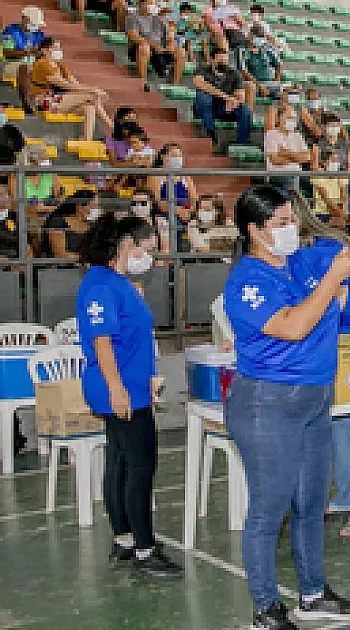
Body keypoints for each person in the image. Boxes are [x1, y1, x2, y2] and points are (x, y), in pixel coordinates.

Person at [223, 185, 350, 629]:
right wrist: (332, 282)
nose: (291, 229)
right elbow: (293, 326)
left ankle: (313, 593)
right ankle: (266, 608)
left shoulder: (299, 264)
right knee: (269, 509)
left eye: (293, 220)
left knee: (310, 502)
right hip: (267, 402)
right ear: (255, 231)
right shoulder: (246, 281)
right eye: (281, 223)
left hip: (314, 400)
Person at [75, 213, 182, 577]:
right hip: (118, 387)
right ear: (125, 244)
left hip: (129, 384)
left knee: (120, 461)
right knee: (139, 466)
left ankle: (125, 538)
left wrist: (147, 377)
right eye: (145, 249)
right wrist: (117, 389)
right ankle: (144, 549)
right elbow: (102, 343)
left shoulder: (117, 282)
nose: (148, 257)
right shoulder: (102, 286)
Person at [290, 197, 350, 538]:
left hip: (349, 346)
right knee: (336, 430)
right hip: (314, 350)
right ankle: (347, 495)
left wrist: (335, 303)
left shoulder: (331, 250)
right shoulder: (279, 258)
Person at [29, 38, 113, 142]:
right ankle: (111, 126)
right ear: (44, 50)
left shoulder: (60, 65)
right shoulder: (42, 64)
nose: (59, 51)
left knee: (89, 108)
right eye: (55, 48)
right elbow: (66, 85)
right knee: (92, 95)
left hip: (59, 100)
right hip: (44, 101)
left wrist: (94, 91)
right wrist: (95, 91)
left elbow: (75, 84)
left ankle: (87, 141)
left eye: (59, 48)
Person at [192, 48, 253, 145]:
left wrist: (234, 102)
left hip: (224, 107)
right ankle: (211, 133)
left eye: (225, 61)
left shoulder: (234, 73)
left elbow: (241, 95)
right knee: (203, 96)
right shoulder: (203, 69)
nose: (223, 64)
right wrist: (226, 97)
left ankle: (242, 144)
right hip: (204, 108)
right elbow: (199, 83)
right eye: (220, 61)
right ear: (212, 60)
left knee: (245, 110)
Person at [126, 0, 186, 89]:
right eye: (150, 3)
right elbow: (133, 36)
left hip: (159, 49)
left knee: (181, 51)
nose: (153, 5)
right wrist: (153, 46)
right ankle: (143, 82)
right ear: (142, 3)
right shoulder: (133, 17)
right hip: (141, 49)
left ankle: (175, 85)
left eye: (153, 3)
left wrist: (170, 44)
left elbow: (169, 37)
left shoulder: (159, 19)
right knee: (144, 47)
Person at [3, 6, 48, 113]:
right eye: (32, 23)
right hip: (12, 65)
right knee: (25, 68)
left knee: (50, 68)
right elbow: (7, 53)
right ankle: (26, 103)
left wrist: (43, 53)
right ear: (24, 19)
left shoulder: (39, 34)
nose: (35, 27)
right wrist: (28, 52)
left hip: (34, 64)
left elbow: (44, 52)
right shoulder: (10, 31)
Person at [43, 189, 101, 259]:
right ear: (80, 207)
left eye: (97, 206)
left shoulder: (94, 226)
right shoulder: (57, 222)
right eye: (93, 206)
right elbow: (60, 254)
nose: (97, 210)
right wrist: (86, 259)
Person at [263, 108, 309, 191]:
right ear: (279, 118)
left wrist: (287, 153)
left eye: (294, 118)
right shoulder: (271, 134)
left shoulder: (297, 135)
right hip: (279, 175)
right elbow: (275, 160)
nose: (292, 121)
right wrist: (297, 158)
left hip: (297, 174)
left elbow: (306, 158)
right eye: (289, 118)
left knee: (314, 181)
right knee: (289, 184)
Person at [237, 27, 283, 102]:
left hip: (269, 83)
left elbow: (279, 65)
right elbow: (243, 71)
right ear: (250, 35)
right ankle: (249, 110)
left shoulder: (267, 48)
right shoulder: (242, 50)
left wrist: (276, 80)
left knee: (290, 92)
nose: (259, 39)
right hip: (252, 83)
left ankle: (276, 109)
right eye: (257, 36)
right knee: (250, 87)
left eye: (261, 37)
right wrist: (260, 86)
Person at [150, 143, 196, 215]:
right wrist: (178, 211)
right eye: (174, 156)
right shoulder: (155, 176)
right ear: (163, 157)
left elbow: (194, 200)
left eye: (180, 156)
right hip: (164, 215)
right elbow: (158, 202)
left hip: (186, 214)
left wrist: (188, 212)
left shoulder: (185, 176)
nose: (178, 159)